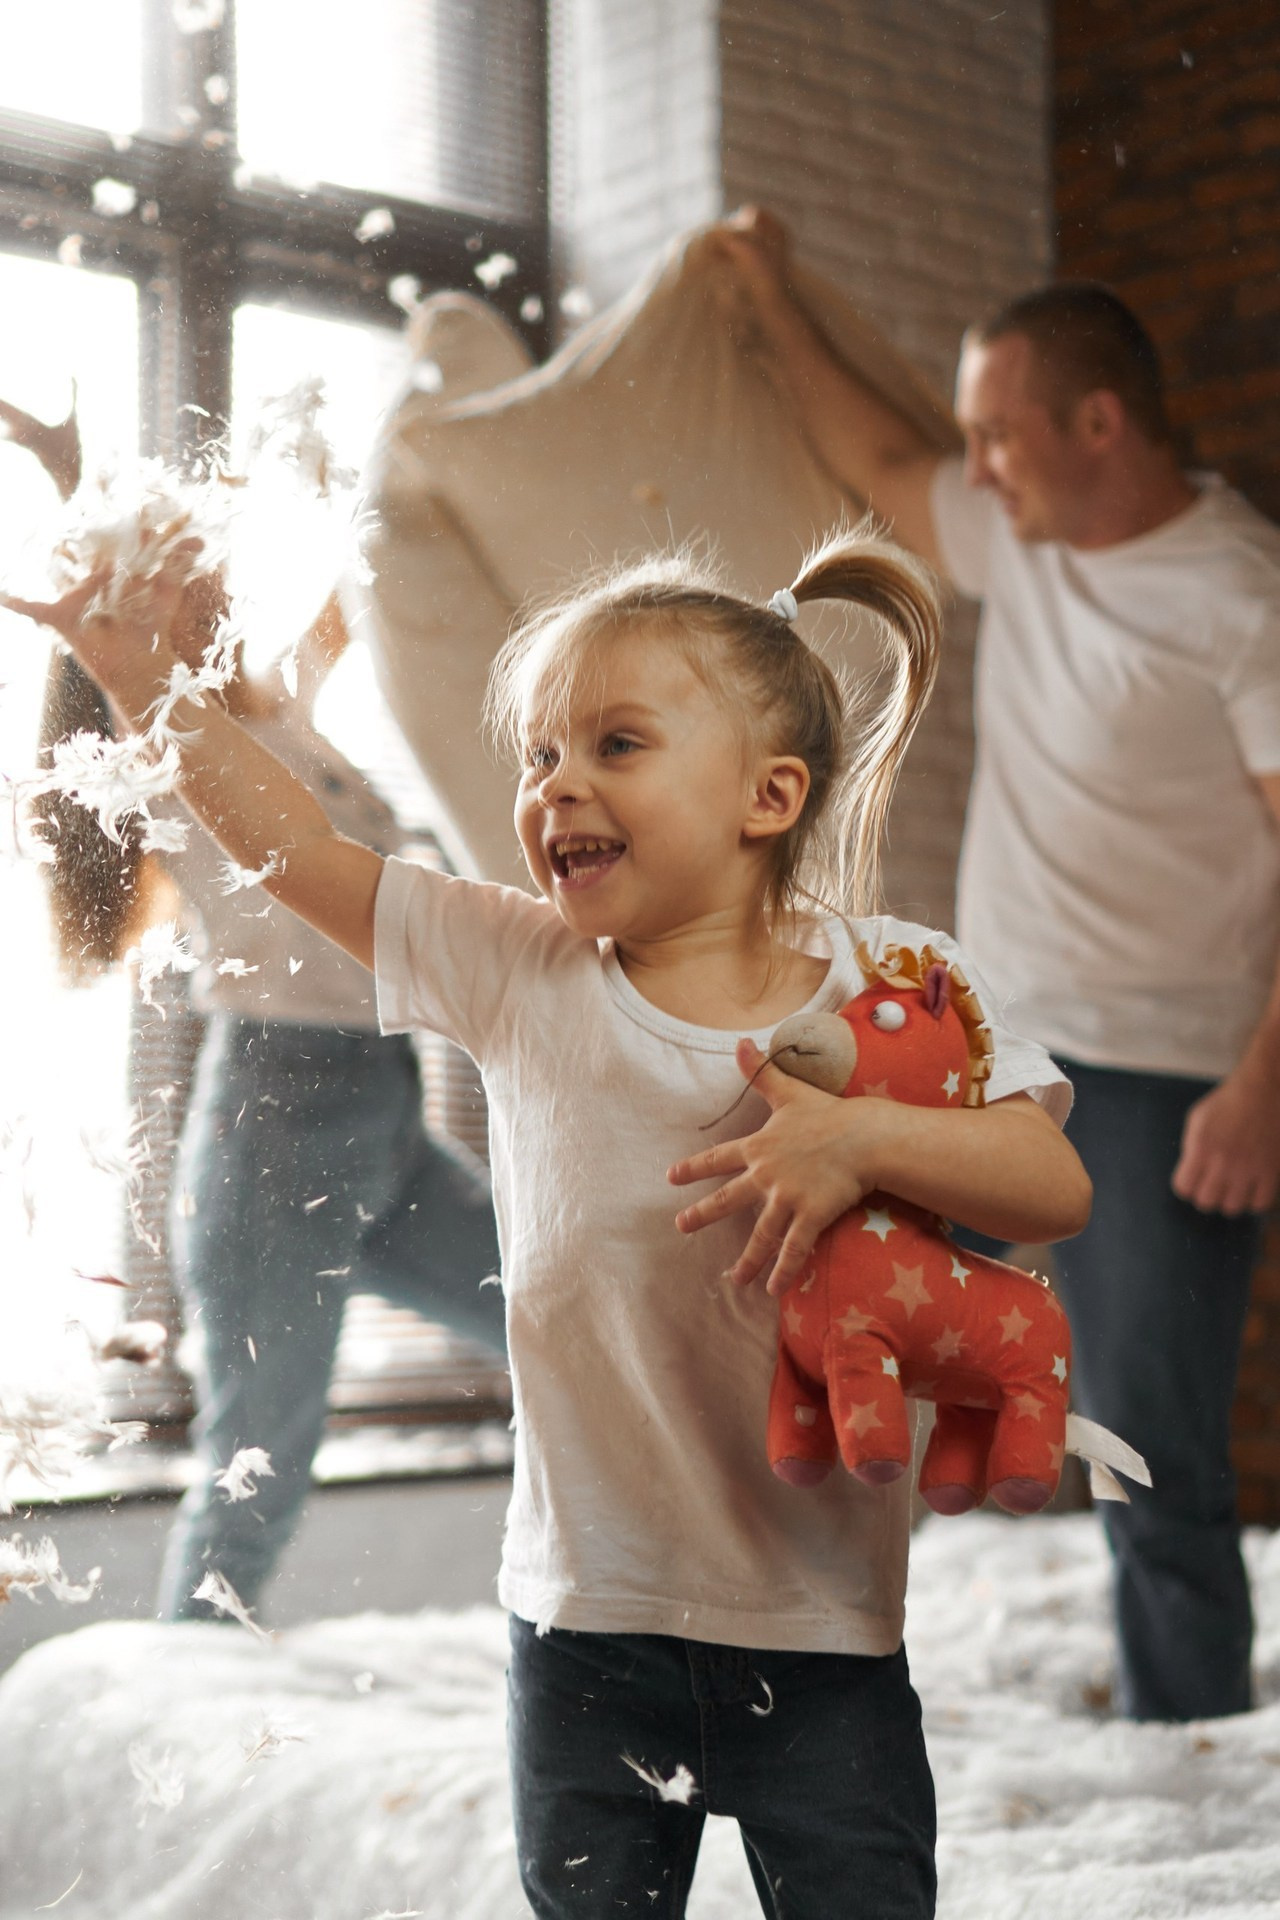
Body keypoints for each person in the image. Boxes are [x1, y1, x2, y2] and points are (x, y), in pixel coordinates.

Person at [6, 514, 1089, 1918]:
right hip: (584, 1631)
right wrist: (146, 689)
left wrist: (860, 1139)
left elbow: (1050, 1177)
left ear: (768, 797)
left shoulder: (897, 977)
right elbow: (304, 855)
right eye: (541, 756)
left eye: (614, 746)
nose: (556, 786)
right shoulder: (519, 969)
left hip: (823, 1632)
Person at [714, 205, 1280, 1723]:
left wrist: (1262, 1086)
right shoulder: (1022, 538)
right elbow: (879, 460)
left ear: (1100, 422)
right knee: (842, 1345)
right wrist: (775, 278)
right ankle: (802, 1691)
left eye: (1000, 433)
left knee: (1148, 1442)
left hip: (1169, 1077)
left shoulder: (1243, 596)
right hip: (980, 1051)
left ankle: (1196, 1767)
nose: (974, 469)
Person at [4, 394, 504, 1622]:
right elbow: (118, 612)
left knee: (549, 1314)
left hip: (380, 1110)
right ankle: (183, 1688)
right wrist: (73, 489)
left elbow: (356, 584)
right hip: (277, 1130)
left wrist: (403, 465)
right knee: (259, 1466)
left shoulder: (272, 706)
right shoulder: (167, 742)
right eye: (169, 567)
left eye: (199, 552)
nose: (200, 565)